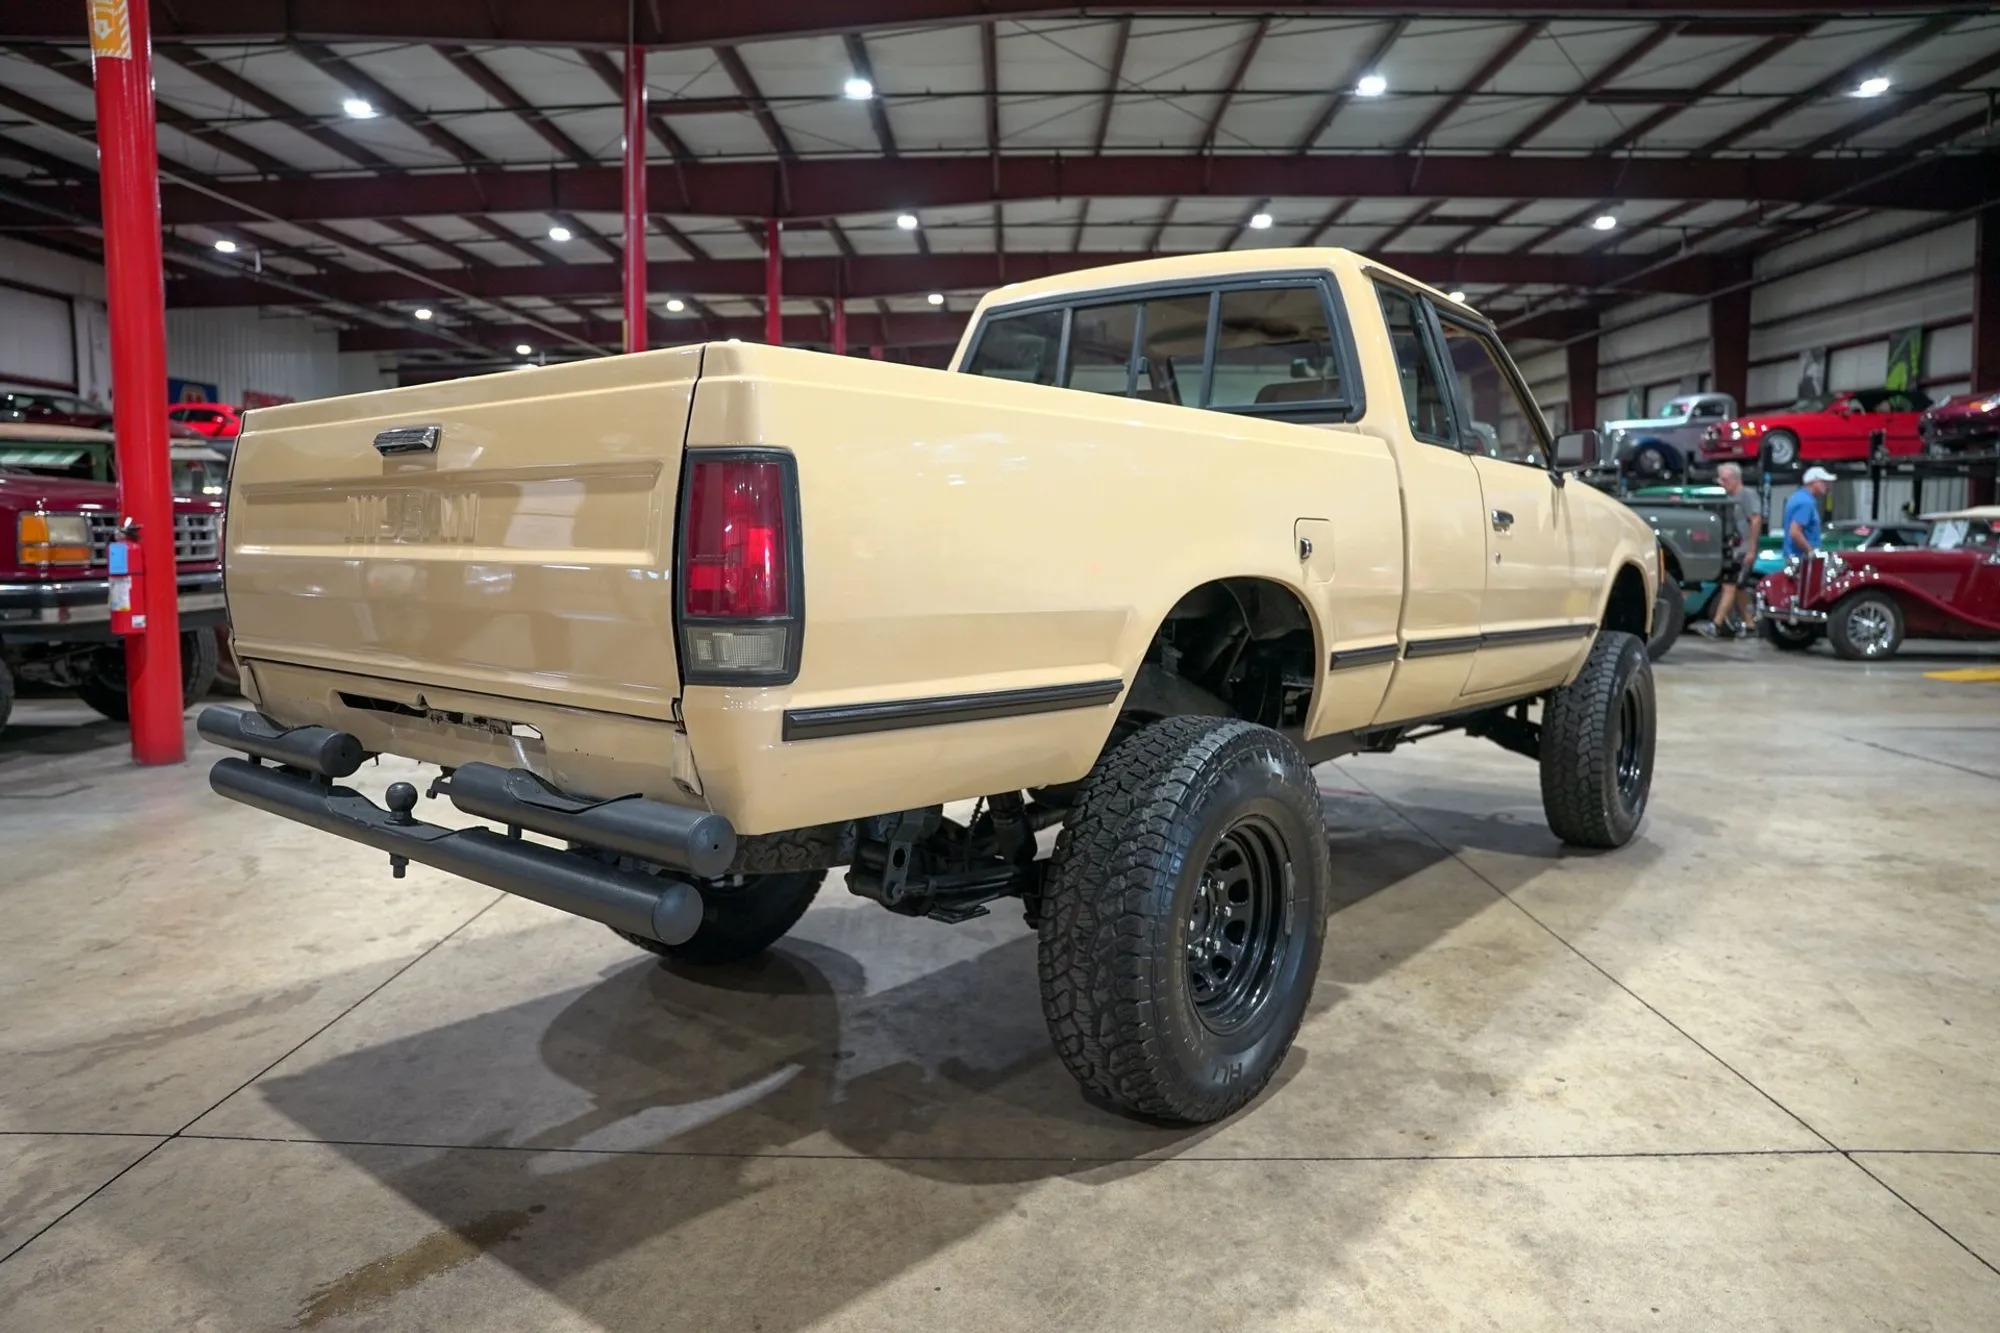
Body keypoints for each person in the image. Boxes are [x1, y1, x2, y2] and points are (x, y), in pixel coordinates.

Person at [1695, 463, 1763, 638]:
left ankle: (1716, 625)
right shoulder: (1728, 498)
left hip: (1744, 549)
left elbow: (1756, 520)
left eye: (1724, 479)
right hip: (1734, 549)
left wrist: (1751, 549)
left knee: (1729, 586)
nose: (1721, 483)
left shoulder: (1748, 495)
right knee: (1739, 587)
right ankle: (1750, 624)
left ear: (1735, 479)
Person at [1783, 466, 1836, 559]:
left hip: (1794, 559)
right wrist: (1811, 551)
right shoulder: (1805, 502)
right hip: (1802, 560)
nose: (1827, 486)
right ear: (1813, 482)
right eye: (1824, 482)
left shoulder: (1798, 497)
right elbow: (1795, 532)